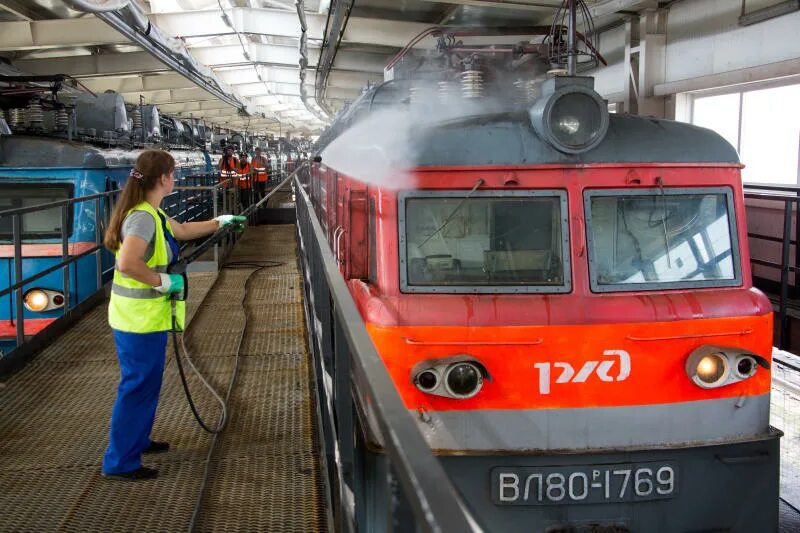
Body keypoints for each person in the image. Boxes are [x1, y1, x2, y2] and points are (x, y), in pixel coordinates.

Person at [101, 149, 245, 481]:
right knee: (137, 386)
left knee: (146, 384)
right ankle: (120, 461)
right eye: (174, 174)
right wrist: (162, 281)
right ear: (164, 178)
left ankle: (138, 439)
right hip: (137, 319)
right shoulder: (141, 218)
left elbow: (179, 231)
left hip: (143, 318)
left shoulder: (152, 214)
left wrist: (218, 223)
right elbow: (127, 263)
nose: (175, 179)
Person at [218, 145, 238, 211]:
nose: (229, 152)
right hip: (224, 183)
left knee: (233, 198)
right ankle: (228, 211)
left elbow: (238, 170)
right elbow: (219, 168)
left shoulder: (235, 160)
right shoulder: (222, 159)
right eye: (228, 150)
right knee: (226, 199)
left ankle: (232, 211)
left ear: (233, 152)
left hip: (233, 183)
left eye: (230, 151)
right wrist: (223, 159)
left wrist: (230, 167)